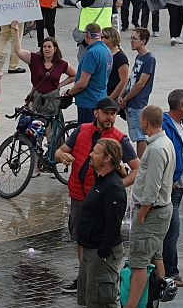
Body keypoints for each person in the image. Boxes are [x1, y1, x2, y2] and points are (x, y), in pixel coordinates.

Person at [55, 97, 137, 294]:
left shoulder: (119, 138)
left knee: (102, 238)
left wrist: (115, 187)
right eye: (106, 113)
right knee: (80, 238)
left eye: (113, 113)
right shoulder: (82, 130)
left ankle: (102, 279)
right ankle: (83, 277)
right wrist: (61, 156)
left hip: (101, 201)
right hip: (78, 194)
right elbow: (59, 151)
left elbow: (137, 168)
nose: (110, 117)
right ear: (96, 113)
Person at [74, 138, 129, 308]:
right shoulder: (100, 180)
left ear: (107, 159)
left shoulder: (114, 187)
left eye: (95, 153)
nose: (90, 155)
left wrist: (104, 253)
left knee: (108, 306)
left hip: (102, 255)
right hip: (91, 252)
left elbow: (113, 226)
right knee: (96, 303)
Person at [120, 105, 174, 308]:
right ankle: (154, 307)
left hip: (151, 211)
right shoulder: (165, 143)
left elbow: (152, 186)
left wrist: (142, 212)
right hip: (161, 211)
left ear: (144, 122)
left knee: (139, 261)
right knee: (156, 256)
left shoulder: (155, 149)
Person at [161, 89, 183, 290]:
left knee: (170, 229)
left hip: (180, 185)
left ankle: (166, 268)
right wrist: (169, 178)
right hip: (171, 186)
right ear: (181, 105)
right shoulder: (166, 125)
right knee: (172, 229)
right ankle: (171, 271)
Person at [116, 28, 157, 156]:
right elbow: (131, 78)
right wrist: (121, 95)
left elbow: (140, 84)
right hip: (130, 101)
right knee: (137, 134)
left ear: (143, 41)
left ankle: (140, 165)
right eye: (131, 38)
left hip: (137, 103)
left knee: (140, 136)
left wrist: (126, 98)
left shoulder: (149, 59)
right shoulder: (140, 56)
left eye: (134, 39)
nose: (131, 41)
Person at [15, 31, 71, 117]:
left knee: (50, 129)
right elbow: (17, 51)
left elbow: (74, 75)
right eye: (44, 47)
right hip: (35, 100)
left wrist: (61, 84)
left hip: (52, 102)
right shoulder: (34, 58)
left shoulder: (61, 64)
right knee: (32, 128)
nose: (47, 49)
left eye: (49, 47)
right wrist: (16, 31)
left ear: (55, 49)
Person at [67, 22, 111, 126]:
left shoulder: (91, 53)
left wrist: (69, 92)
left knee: (87, 136)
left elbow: (82, 83)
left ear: (86, 35)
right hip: (101, 97)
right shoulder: (106, 50)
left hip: (88, 101)